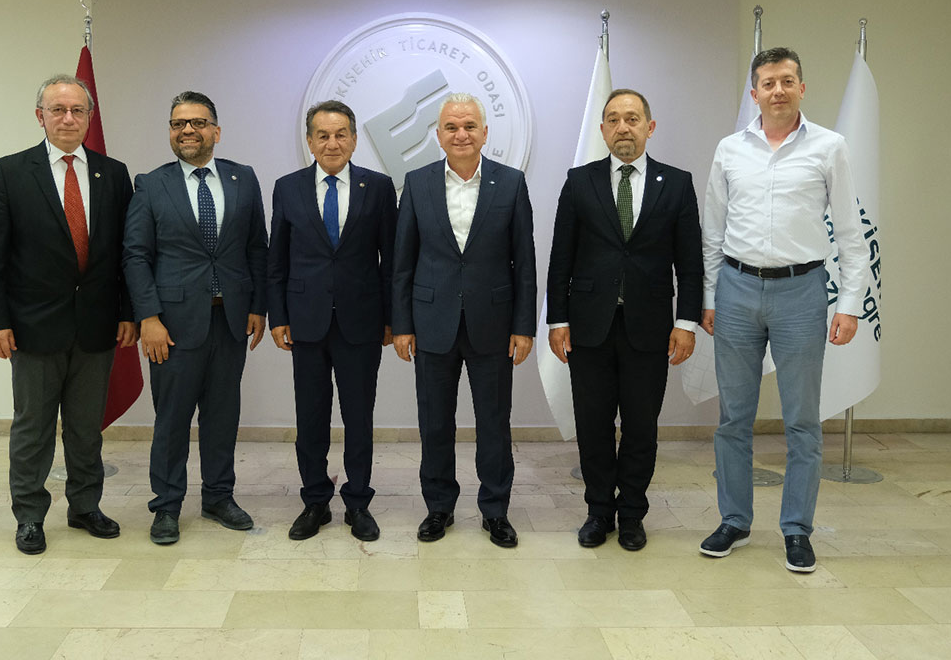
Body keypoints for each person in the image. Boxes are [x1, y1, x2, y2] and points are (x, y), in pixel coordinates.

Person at [699, 47, 870, 573]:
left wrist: (849, 303)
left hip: (802, 293)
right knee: (734, 418)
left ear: (801, 88)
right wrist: (709, 297)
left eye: (787, 81)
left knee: (802, 420)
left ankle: (797, 528)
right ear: (754, 93)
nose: (778, 90)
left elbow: (850, 233)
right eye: (768, 83)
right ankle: (734, 520)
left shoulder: (829, 146)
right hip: (736, 291)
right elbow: (712, 232)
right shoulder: (730, 149)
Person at [0, 74, 134, 555]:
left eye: (77, 110)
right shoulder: (11, 171)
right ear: (39, 116)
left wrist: (128, 312)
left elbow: (126, 254)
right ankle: (29, 515)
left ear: (89, 117)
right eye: (57, 110)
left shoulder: (114, 173)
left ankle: (85, 506)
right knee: (33, 429)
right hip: (32, 328)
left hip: (97, 327)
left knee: (86, 429)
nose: (68, 118)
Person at [547, 88, 703, 551]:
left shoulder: (677, 183)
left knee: (641, 426)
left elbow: (690, 263)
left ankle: (632, 513)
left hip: (650, 328)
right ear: (602, 130)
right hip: (589, 326)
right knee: (593, 425)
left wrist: (686, 323)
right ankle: (598, 512)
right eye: (613, 119)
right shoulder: (580, 181)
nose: (623, 127)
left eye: (632, 119)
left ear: (649, 127)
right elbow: (561, 257)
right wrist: (557, 320)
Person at [122, 90, 268, 545]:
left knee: (223, 416)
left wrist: (258, 306)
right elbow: (135, 255)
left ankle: (218, 497)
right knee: (172, 420)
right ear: (170, 132)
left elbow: (257, 248)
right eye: (178, 123)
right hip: (172, 326)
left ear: (216, 131)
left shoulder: (244, 178)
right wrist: (148, 318)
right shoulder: (151, 184)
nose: (188, 130)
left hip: (231, 321)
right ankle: (166, 506)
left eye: (198, 122)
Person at [391, 92, 537, 548]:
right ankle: (439, 507)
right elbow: (402, 263)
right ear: (438, 135)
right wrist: (402, 324)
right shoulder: (416, 183)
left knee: (494, 422)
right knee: (435, 422)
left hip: (493, 324)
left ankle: (495, 510)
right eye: (452, 127)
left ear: (485, 133)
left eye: (470, 126)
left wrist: (524, 326)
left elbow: (524, 263)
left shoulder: (510, 183)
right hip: (431, 323)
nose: (461, 134)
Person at [267, 100, 397, 542]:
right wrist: (278, 316)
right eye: (322, 135)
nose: (332, 143)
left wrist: (391, 318)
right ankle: (315, 501)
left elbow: (390, 261)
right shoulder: (287, 188)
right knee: (311, 418)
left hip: (362, 322)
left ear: (354, 140)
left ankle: (358, 502)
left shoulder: (378, 188)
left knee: (359, 418)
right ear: (310, 141)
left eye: (341, 134)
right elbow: (277, 260)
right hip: (305, 322)